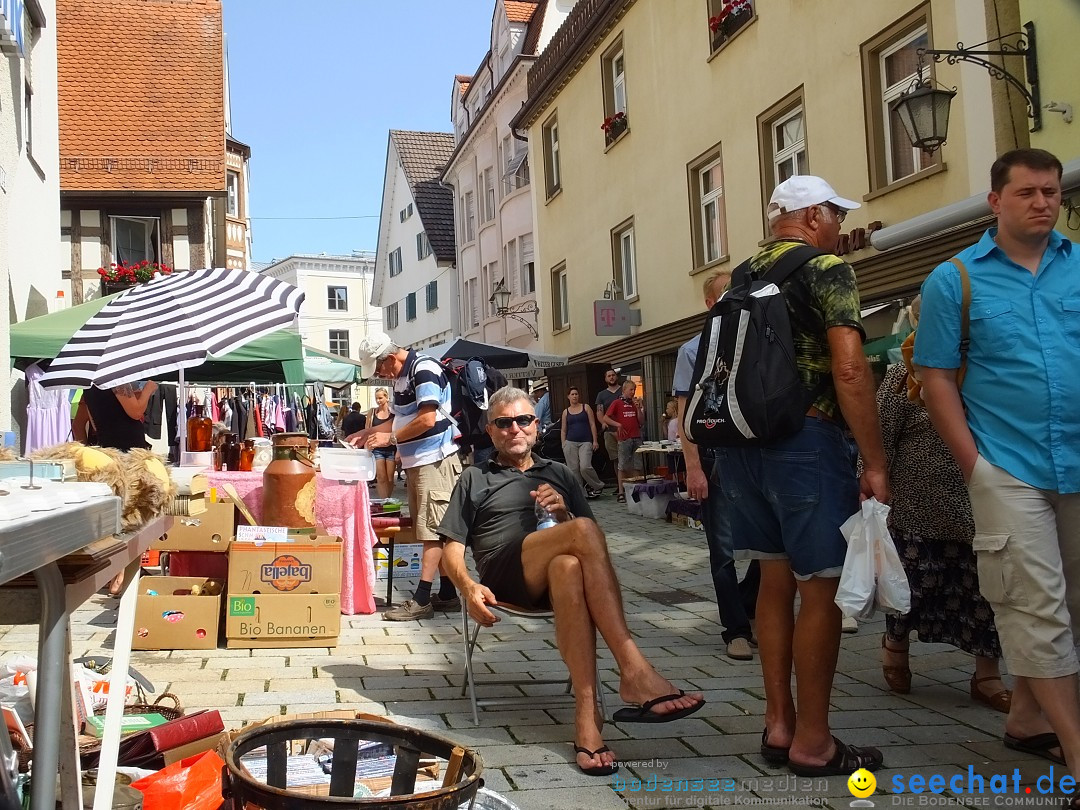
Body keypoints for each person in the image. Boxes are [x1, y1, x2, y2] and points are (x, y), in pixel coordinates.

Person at [713, 175, 889, 776]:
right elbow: (848, 368)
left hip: (742, 446)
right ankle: (814, 741)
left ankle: (778, 723)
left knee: (771, 579)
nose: (840, 226)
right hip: (808, 441)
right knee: (822, 586)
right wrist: (875, 460)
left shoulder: (740, 276)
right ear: (812, 215)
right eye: (836, 214)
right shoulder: (825, 269)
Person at [914, 148, 1080, 781]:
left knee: (1073, 604)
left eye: (1051, 192)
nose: (1042, 203)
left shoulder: (1078, 267)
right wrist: (974, 465)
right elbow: (934, 378)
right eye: (1027, 193)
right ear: (996, 201)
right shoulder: (954, 280)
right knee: (1034, 607)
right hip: (1008, 466)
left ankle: (1028, 719)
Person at [439, 386, 705, 776]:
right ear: (492, 431)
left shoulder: (560, 473)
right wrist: (467, 586)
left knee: (568, 564)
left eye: (524, 420)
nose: (515, 428)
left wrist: (562, 513)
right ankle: (633, 671)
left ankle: (586, 720)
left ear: (536, 427)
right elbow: (449, 546)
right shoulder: (476, 477)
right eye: (504, 422)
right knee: (579, 532)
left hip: (560, 576)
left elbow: (591, 547)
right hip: (507, 574)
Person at [876, 351, 1009, 711]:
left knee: (985, 590)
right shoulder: (903, 374)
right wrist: (873, 477)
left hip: (978, 500)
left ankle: (987, 675)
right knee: (913, 585)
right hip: (917, 503)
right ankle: (896, 649)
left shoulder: (990, 369)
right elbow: (881, 432)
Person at [674, 270, 759, 662]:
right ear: (711, 303)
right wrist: (693, 468)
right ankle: (736, 628)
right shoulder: (693, 350)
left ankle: (745, 605)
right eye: (726, 293)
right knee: (723, 548)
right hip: (714, 457)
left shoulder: (757, 339)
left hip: (754, 455)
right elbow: (684, 411)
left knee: (769, 546)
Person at [348, 332, 462, 621]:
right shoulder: (402, 376)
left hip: (434, 461)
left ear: (388, 358)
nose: (378, 375)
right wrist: (368, 432)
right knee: (433, 529)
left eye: (378, 368)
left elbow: (427, 419)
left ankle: (422, 599)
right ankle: (448, 594)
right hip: (419, 462)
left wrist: (390, 440)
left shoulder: (423, 368)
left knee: (431, 531)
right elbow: (398, 419)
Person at [82, 381, 157, 452]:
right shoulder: (117, 380)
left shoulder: (87, 386)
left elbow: (94, 423)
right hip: (130, 446)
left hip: (106, 444)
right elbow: (136, 413)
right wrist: (148, 389)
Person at [601, 380, 644, 503]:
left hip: (636, 436)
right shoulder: (617, 403)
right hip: (624, 438)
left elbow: (641, 421)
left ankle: (636, 490)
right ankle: (621, 492)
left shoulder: (634, 404)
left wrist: (639, 408)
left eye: (634, 390)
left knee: (637, 465)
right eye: (630, 389)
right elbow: (606, 417)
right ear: (624, 390)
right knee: (623, 465)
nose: (632, 392)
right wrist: (618, 424)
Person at [560, 386, 604, 498]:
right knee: (573, 469)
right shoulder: (566, 412)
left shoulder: (586, 407)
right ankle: (580, 494)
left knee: (584, 466)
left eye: (576, 394)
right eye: (572, 394)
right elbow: (563, 429)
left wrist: (595, 440)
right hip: (570, 442)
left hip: (585, 441)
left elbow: (592, 424)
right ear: (568, 397)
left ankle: (598, 485)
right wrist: (563, 444)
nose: (575, 396)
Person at [367, 388, 395, 500]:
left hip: (391, 447)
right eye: (376, 398)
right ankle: (384, 501)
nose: (378, 400)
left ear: (386, 397)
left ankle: (389, 499)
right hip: (377, 448)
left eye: (380, 398)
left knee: (390, 478)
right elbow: (367, 429)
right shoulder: (373, 412)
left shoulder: (393, 412)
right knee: (381, 477)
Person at [595, 369, 622, 474]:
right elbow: (599, 412)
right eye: (609, 376)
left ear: (616, 377)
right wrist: (603, 423)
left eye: (613, 375)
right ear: (606, 379)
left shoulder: (623, 391)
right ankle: (621, 484)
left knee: (627, 458)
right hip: (609, 431)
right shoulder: (601, 395)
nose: (611, 377)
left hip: (624, 430)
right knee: (616, 459)